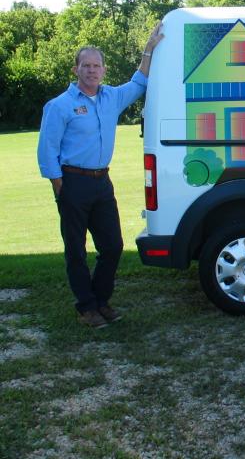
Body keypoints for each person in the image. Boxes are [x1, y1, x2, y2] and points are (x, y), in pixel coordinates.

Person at [37, 22, 164, 328]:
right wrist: (59, 186)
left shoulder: (111, 99)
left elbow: (140, 80)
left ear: (104, 70)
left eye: (97, 66)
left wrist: (150, 46)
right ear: (76, 69)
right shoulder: (60, 106)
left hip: (102, 183)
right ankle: (86, 308)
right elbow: (47, 148)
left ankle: (101, 301)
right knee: (76, 250)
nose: (92, 70)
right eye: (86, 65)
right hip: (73, 183)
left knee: (113, 245)